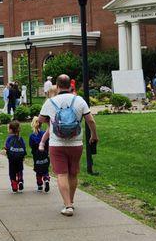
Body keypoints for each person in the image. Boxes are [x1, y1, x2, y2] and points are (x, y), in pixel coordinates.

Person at [39, 74, 98, 217]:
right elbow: (90, 120)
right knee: (73, 173)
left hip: (56, 143)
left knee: (62, 174)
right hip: (76, 143)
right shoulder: (79, 100)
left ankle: (67, 205)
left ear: (57, 86)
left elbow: (41, 119)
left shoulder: (50, 102)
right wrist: (94, 135)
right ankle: (71, 201)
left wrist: (49, 120)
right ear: (70, 86)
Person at [29, 116, 50, 192]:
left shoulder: (32, 136)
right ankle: (46, 178)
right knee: (45, 169)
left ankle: (40, 185)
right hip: (44, 154)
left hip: (36, 156)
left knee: (38, 171)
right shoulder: (44, 134)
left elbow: (31, 145)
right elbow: (47, 143)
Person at [5, 120, 26, 193]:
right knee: (20, 170)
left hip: (12, 158)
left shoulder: (9, 138)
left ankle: (14, 186)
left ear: (10, 129)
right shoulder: (20, 138)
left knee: (12, 171)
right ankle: (20, 180)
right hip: (20, 158)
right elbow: (24, 147)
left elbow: (6, 147)